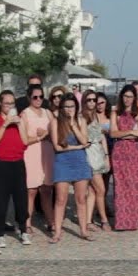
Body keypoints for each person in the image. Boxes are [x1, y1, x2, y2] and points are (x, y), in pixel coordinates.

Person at [0, 91, 31, 245]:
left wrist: (19, 124)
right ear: (0, 104)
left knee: (21, 198)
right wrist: (5, 124)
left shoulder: (20, 120)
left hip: (18, 162)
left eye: (12, 103)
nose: (10, 106)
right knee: (0, 199)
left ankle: (23, 229)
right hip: (1, 163)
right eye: (7, 103)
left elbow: (25, 141)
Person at [50, 94, 93, 242]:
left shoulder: (81, 121)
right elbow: (57, 146)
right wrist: (78, 147)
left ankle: (83, 230)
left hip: (79, 161)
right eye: (66, 106)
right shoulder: (55, 122)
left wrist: (74, 125)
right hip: (62, 162)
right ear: (61, 108)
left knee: (81, 198)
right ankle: (57, 232)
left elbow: (85, 140)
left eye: (72, 106)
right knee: (60, 199)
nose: (69, 109)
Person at [21, 84, 55, 236]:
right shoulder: (25, 114)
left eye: (41, 96)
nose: (38, 99)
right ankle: (26, 223)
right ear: (29, 97)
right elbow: (24, 139)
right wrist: (40, 136)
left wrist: (47, 134)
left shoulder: (48, 113)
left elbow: (56, 131)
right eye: (35, 97)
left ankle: (51, 221)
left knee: (47, 190)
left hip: (47, 154)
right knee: (31, 191)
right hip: (31, 154)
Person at [109, 85, 138, 231]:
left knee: (135, 186)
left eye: (130, 97)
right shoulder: (115, 113)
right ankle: (122, 221)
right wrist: (131, 131)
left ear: (134, 98)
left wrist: (122, 132)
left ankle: (134, 220)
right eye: (125, 96)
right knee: (121, 186)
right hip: (119, 152)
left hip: (135, 152)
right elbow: (113, 134)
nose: (127, 99)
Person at [82, 92, 111, 230]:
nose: (92, 103)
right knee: (101, 189)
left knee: (93, 191)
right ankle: (104, 219)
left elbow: (102, 138)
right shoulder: (81, 117)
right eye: (89, 100)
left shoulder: (95, 117)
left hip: (98, 155)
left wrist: (106, 155)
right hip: (89, 157)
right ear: (84, 101)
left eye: (94, 100)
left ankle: (88, 221)